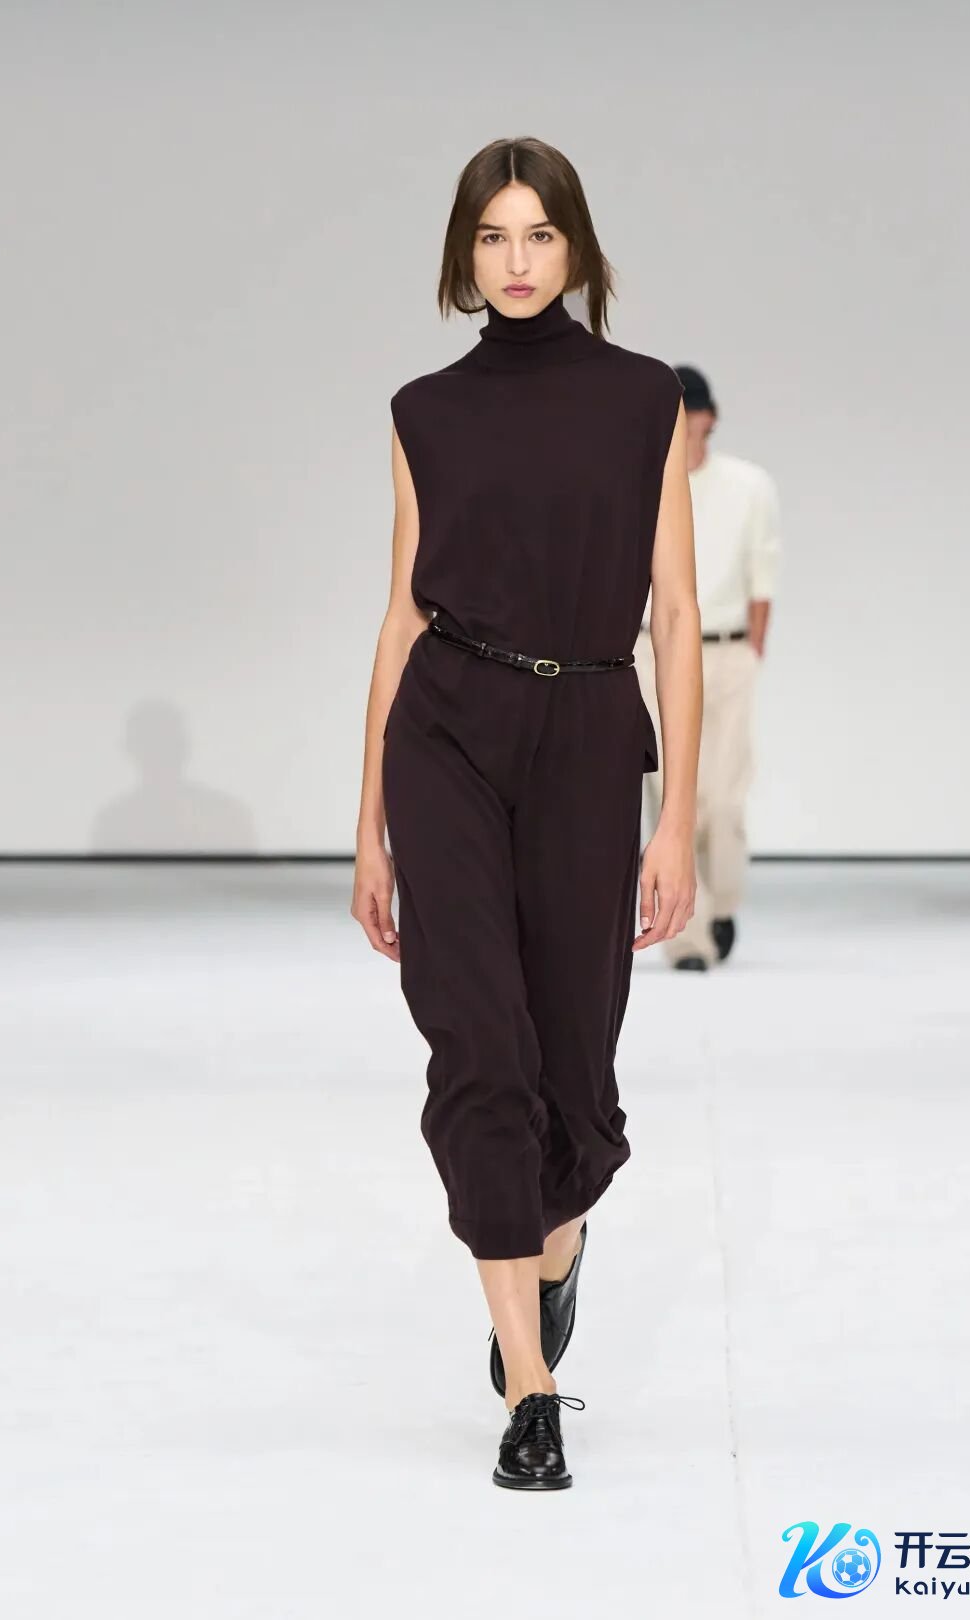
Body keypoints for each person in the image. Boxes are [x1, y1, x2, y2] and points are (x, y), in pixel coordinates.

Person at [351, 136, 701, 1491]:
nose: (515, 259)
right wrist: (368, 827)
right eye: (492, 235)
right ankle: (531, 1392)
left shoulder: (643, 399)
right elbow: (400, 619)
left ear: (576, 248)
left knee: (575, 1083)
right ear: (464, 252)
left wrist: (674, 819)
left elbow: (676, 614)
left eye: (539, 234)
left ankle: (554, 1244)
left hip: (588, 734)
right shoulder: (422, 411)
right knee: (478, 1049)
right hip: (446, 728)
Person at [634, 365, 782, 970]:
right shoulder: (637, 484)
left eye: (685, 413)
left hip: (727, 649)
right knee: (674, 796)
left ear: (708, 418)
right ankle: (688, 937)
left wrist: (751, 650)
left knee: (724, 798)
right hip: (654, 650)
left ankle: (721, 901)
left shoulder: (749, 486)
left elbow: (763, 569)